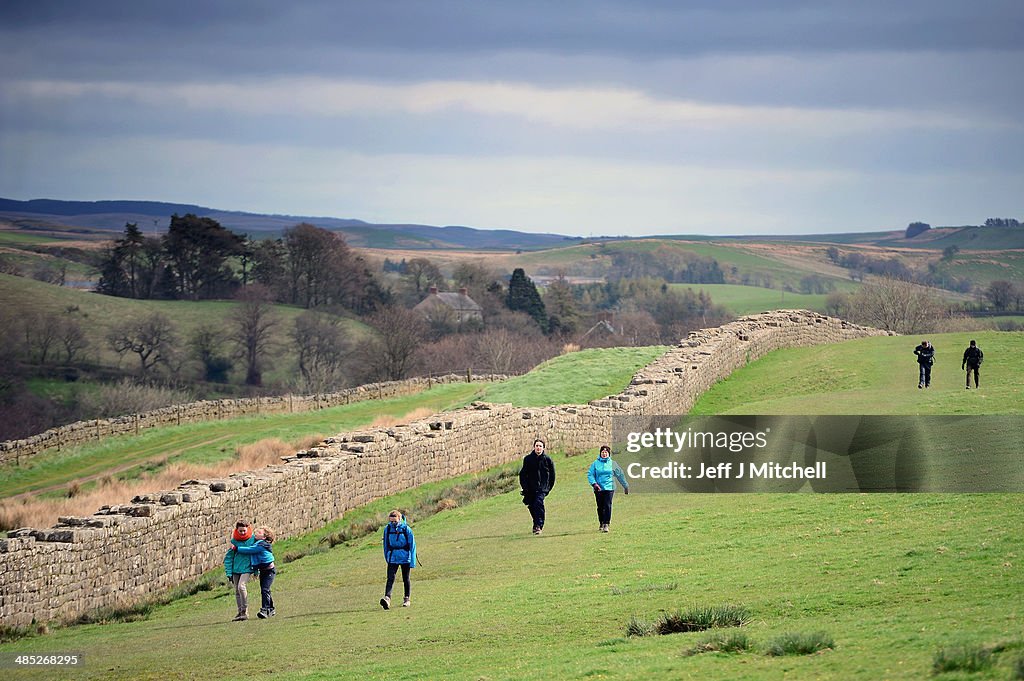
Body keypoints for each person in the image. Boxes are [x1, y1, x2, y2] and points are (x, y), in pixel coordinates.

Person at [232, 526, 277, 619]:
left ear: (264, 537)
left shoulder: (262, 544)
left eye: (259, 533)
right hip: (263, 571)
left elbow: (250, 550)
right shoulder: (257, 543)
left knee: (265, 589)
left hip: (269, 571)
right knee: (265, 589)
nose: (256, 533)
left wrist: (237, 548)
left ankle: (264, 610)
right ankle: (271, 608)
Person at [587, 445, 629, 532]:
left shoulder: (613, 464)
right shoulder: (595, 463)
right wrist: (594, 484)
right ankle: (601, 522)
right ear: (600, 453)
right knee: (600, 506)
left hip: (609, 487)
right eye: (602, 452)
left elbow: (620, 475)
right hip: (598, 488)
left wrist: (625, 486)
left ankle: (606, 524)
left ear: (609, 454)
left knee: (607, 505)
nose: (604, 454)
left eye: (606, 452)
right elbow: (590, 474)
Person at [380, 510, 416, 609]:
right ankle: (387, 598)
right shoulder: (387, 529)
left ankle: (407, 599)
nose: (393, 524)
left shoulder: (406, 529)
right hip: (393, 557)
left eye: (395, 521)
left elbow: (412, 545)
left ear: (399, 519)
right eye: (391, 521)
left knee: (406, 578)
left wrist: (412, 562)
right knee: (390, 578)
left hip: (405, 557)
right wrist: (387, 557)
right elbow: (385, 545)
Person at [519, 439, 556, 535]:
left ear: (543, 448)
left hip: (542, 488)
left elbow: (552, 476)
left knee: (538, 503)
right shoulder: (528, 459)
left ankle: (539, 525)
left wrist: (548, 488)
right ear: (534, 447)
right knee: (531, 506)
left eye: (540, 446)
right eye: (537, 446)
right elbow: (523, 474)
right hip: (530, 488)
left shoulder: (547, 460)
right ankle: (536, 523)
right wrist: (525, 487)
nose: (538, 448)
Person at [224, 520, 257, 621]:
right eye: (240, 531)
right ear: (236, 530)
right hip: (235, 569)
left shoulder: (252, 540)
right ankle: (240, 612)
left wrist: (256, 571)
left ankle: (245, 611)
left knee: (241, 586)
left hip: (247, 568)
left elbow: (256, 554)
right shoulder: (234, 542)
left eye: (244, 531)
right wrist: (229, 573)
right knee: (237, 591)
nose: (242, 533)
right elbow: (228, 558)